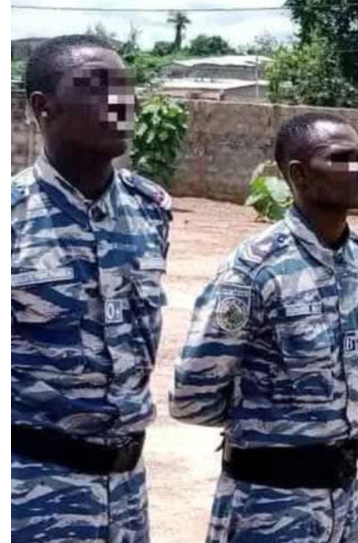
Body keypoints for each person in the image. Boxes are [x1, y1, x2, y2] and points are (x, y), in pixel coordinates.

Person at [170, 113, 358, 543]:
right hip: (269, 504)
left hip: (342, 500)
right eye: (341, 158)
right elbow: (192, 395)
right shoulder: (255, 270)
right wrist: (269, 421)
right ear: (298, 175)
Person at [11, 34, 171, 543]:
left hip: (126, 494)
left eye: (125, 86)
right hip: (29, 496)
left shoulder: (150, 210)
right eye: (97, 86)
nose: (121, 100)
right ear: (44, 107)